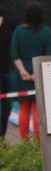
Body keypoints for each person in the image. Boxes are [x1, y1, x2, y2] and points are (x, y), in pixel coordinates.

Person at [11, 2, 51, 140]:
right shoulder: (47, 32)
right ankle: (37, 143)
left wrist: (23, 71)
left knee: (23, 109)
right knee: (38, 110)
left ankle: (24, 142)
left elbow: (14, 53)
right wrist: (37, 74)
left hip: (21, 75)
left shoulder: (18, 31)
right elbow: (49, 55)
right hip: (40, 73)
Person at [0, 9, 17, 139]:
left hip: (7, 70)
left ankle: (2, 135)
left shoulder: (11, 24)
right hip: (7, 71)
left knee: (7, 104)